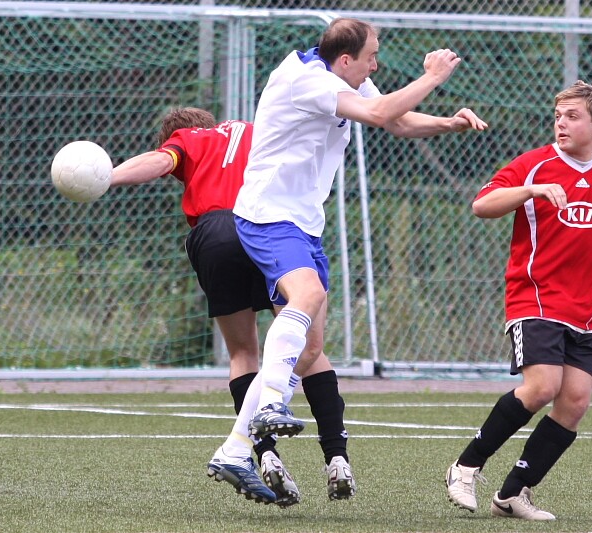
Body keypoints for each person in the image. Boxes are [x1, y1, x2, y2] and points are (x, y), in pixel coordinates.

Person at [206, 17, 488, 505]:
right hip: (269, 215)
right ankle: (270, 404)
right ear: (344, 60)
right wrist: (433, 76)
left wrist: (447, 122)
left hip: (302, 223)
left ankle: (233, 449)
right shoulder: (306, 78)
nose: (375, 65)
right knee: (308, 294)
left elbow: (396, 119)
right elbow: (379, 113)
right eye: (371, 57)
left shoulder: (343, 77)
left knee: (310, 349)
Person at [445, 80, 592, 521]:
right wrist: (531, 191)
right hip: (535, 298)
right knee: (542, 387)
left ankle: (513, 495)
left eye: (572, 117)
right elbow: (482, 205)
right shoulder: (535, 165)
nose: (561, 124)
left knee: (575, 402)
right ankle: (466, 466)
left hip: (586, 310)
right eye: (558, 116)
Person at [109, 107, 351, 508]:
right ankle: (337, 456)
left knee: (243, 353)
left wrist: (106, 175)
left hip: (216, 234)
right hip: (270, 227)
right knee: (306, 344)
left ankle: (265, 454)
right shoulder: (262, 129)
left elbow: (159, 162)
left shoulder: (190, 139)